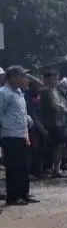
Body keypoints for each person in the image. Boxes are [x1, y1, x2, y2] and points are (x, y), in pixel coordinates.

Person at [1, 66, 37, 205]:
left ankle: (24, 194)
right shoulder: (4, 93)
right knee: (14, 167)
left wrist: (27, 118)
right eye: (22, 76)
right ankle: (13, 197)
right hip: (10, 135)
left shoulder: (19, 93)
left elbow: (18, 113)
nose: (25, 79)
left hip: (22, 134)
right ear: (13, 77)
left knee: (23, 167)